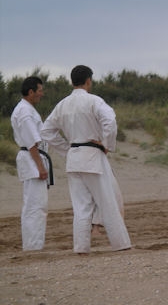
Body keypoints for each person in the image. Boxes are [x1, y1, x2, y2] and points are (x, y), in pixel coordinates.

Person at [41, 65, 131, 254]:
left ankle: (81, 247)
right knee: (107, 202)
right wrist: (105, 144)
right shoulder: (93, 101)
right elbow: (110, 121)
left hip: (74, 159)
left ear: (72, 81)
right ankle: (121, 244)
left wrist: (67, 148)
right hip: (92, 157)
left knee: (81, 207)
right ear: (88, 80)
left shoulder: (62, 105)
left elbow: (46, 131)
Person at [11, 76, 50, 250]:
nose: (42, 94)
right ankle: (33, 246)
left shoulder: (26, 109)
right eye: (40, 90)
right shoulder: (25, 112)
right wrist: (40, 167)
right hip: (32, 159)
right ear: (31, 91)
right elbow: (31, 142)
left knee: (34, 204)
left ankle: (33, 244)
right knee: (35, 205)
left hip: (32, 158)